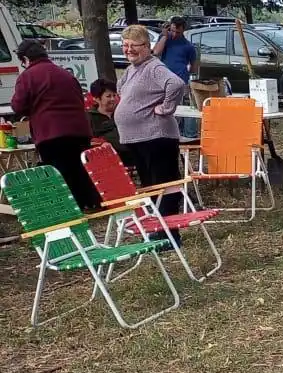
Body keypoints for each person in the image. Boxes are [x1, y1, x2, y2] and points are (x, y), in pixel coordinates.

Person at [9, 39, 98, 210]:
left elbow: (18, 106)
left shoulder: (27, 76)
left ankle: (69, 208)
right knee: (79, 168)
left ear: (26, 59)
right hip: (79, 130)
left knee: (59, 171)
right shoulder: (65, 73)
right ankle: (88, 203)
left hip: (51, 132)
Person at [116, 24, 188, 226]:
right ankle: (158, 227)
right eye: (125, 45)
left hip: (157, 136)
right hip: (139, 138)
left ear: (147, 46)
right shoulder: (133, 69)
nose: (129, 49)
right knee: (150, 186)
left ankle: (168, 231)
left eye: (134, 45)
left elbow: (176, 84)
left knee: (164, 184)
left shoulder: (153, 66)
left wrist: (165, 109)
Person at [153, 16, 200, 138]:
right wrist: (164, 35)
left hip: (180, 80)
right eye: (172, 30)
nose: (174, 34)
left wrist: (188, 76)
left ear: (183, 30)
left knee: (177, 109)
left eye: (177, 32)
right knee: (163, 107)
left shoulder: (188, 46)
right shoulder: (165, 39)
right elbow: (156, 52)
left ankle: (180, 134)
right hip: (162, 80)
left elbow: (194, 66)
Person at [86, 79, 131, 164]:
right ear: (97, 98)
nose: (113, 99)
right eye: (108, 96)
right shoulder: (89, 117)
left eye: (114, 95)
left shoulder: (123, 112)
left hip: (130, 155)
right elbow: (88, 141)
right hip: (105, 160)